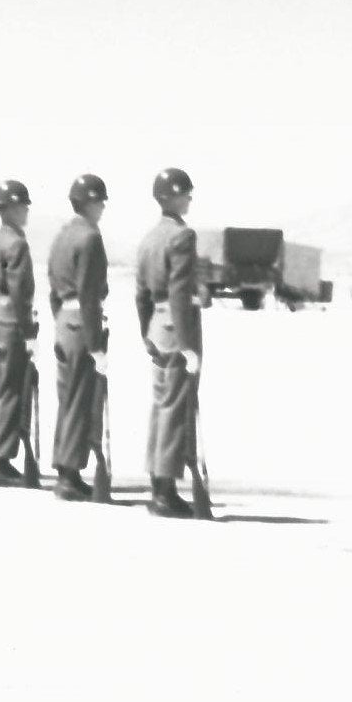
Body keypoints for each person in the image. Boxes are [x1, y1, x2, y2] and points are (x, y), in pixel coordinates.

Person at [134, 168, 206, 519]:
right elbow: (179, 292)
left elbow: (141, 295)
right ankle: (165, 493)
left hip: (157, 327)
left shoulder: (149, 238)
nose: (189, 197)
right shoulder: (182, 235)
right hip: (177, 330)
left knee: (162, 407)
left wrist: (146, 333)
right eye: (185, 193)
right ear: (172, 197)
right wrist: (188, 345)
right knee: (175, 410)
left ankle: (159, 485)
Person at [46, 175, 112, 500]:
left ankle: (65, 467)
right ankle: (69, 476)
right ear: (89, 203)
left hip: (64, 319)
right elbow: (88, 293)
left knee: (68, 398)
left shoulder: (62, 236)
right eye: (99, 201)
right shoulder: (89, 238)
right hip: (82, 321)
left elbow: (53, 287)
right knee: (79, 400)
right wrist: (95, 343)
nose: (102, 207)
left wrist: (62, 319)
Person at [0, 180, 42, 486]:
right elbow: (20, 292)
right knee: (11, 391)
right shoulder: (17, 243)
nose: (26, 210)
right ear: (13, 208)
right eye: (23, 205)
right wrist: (28, 331)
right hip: (11, 321)